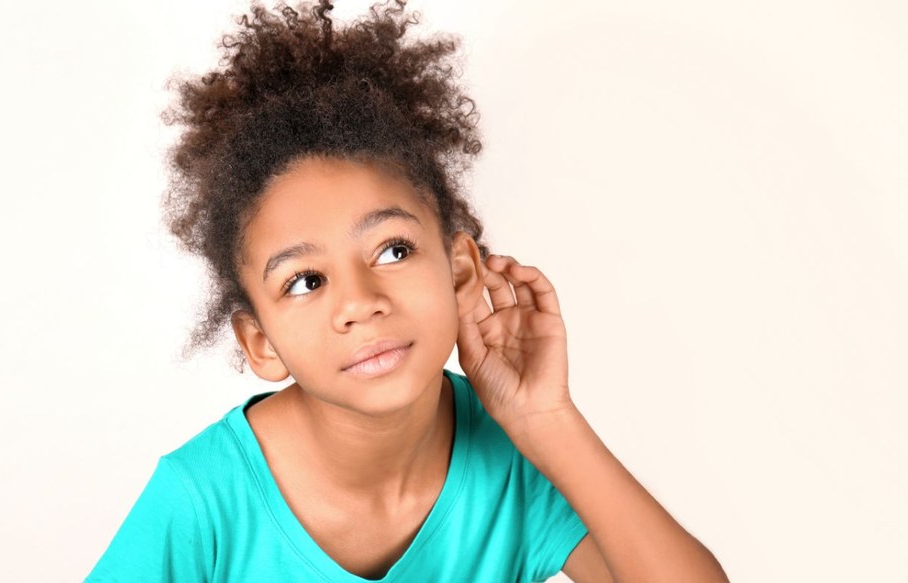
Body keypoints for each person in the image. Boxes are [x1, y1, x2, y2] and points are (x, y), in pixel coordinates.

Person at [87, 1, 729, 581]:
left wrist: (547, 420)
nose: (360, 302)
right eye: (306, 281)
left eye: (393, 250)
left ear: (460, 273)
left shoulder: (512, 456)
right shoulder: (200, 502)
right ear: (261, 343)